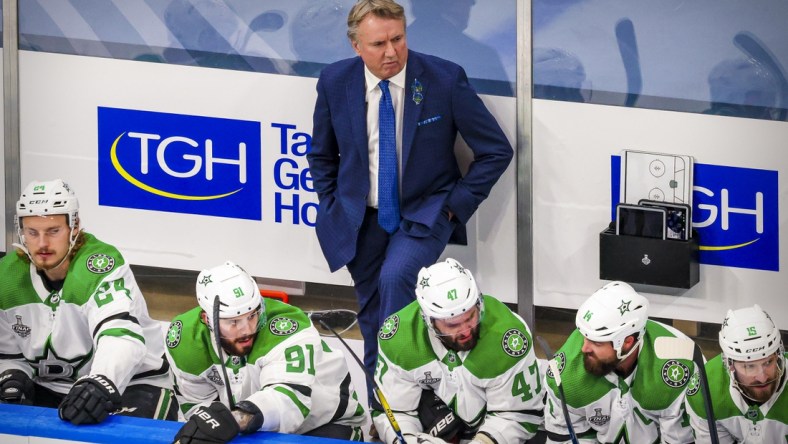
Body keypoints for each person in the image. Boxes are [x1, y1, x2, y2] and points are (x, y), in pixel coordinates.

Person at [307, 0, 513, 386]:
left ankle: (405, 396)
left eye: (398, 39)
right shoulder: (335, 81)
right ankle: (381, 409)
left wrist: (454, 208)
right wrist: (331, 203)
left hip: (426, 213)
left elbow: (496, 150)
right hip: (358, 218)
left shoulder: (443, 79)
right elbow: (321, 153)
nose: (391, 52)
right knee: (371, 317)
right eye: (379, 44)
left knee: (395, 280)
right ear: (356, 46)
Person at [0, 179, 176, 424]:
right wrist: (13, 374)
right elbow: (10, 353)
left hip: (131, 384)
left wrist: (101, 381)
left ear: (74, 227)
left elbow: (120, 336)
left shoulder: (100, 264)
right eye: (33, 232)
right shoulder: (7, 277)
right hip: (52, 386)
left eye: (53, 231)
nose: (42, 244)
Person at [166, 261, 366, 443]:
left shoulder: (289, 328)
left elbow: (288, 401)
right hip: (247, 428)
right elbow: (198, 406)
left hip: (325, 424)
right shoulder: (185, 339)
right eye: (233, 322)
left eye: (252, 315)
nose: (247, 330)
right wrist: (212, 425)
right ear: (207, 319)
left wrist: (233, 420)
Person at [371, 258, 544, 444]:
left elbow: (517, 415)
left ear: (479, 304)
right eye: (452, 324)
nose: (465, 330)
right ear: (429, 320)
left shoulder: (509, 338)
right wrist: (409, 440)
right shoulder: (399, 338)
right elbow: (396, 411)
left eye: (470, 317)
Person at [544, 281, 695, 443]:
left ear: (627, 342)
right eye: (585, 337)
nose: (584, 348)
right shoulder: (566, 374)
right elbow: (564, 439)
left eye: (597, 342)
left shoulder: (678, 367)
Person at [685, 304, 787, 442]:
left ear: (778, 354)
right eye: (749, 366)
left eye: (768, 362)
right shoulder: (706, 389)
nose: (762, 378)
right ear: (729, 364)